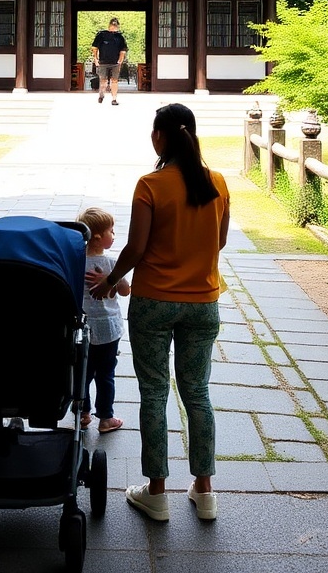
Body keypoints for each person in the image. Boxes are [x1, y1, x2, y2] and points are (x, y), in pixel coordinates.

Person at [87, 103, 229, 523]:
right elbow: (218, 242)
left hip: (153, 302)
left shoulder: (150, 184)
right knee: (197, 392)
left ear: (159, 137)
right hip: (203, 302)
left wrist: (111, 280)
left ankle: (157, 491)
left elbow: (136, 247)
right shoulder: (217, 182)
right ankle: (205, 491)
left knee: (154, 392)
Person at [78, 206, 130, 434]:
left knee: (82, 373)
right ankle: (106, 418)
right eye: (112, 231)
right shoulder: (110, 264)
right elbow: (126, 290)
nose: (114, 235)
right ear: (99, 237)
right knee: (105, 374)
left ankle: (83, 412)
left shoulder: (75, 261)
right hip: (108, 329)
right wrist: (111, 280)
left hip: (81, 330)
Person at [91, 17, 127, 105]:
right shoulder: (101, 35)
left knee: (114, 80)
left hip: (115, 62)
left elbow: (123, 49)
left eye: (115, 25)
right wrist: (95, 58)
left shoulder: (120, 37)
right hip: (103, 62)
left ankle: (114, 99)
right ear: (109, 25)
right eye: (112, 25)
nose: (114, 27)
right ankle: (101, 95)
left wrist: (121, 60)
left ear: (118, 26)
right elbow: (95, 47)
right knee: (103, 81)